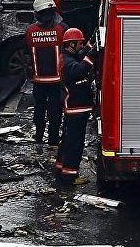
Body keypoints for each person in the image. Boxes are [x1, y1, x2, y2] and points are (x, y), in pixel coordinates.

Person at [24, 0, 68, 146]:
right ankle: (53, 140)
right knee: (55, 111)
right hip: (57, 81)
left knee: (39, 108)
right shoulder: (62, 29)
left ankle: (38, 136)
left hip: (39, 81)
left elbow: (27, 54)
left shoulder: (30, 31)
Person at [54, 27, 95, 186]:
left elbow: (80, 54)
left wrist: (91, 44)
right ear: (71, 44)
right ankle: (70, 176)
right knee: (74, 143)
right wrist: (92, 56)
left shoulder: (68, 56)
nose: (81, 45)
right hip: (75, 107)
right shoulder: (66, 61)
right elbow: (79, 70)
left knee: (67, 140)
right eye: (79, 43)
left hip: (76, 107)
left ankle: (61, 168)